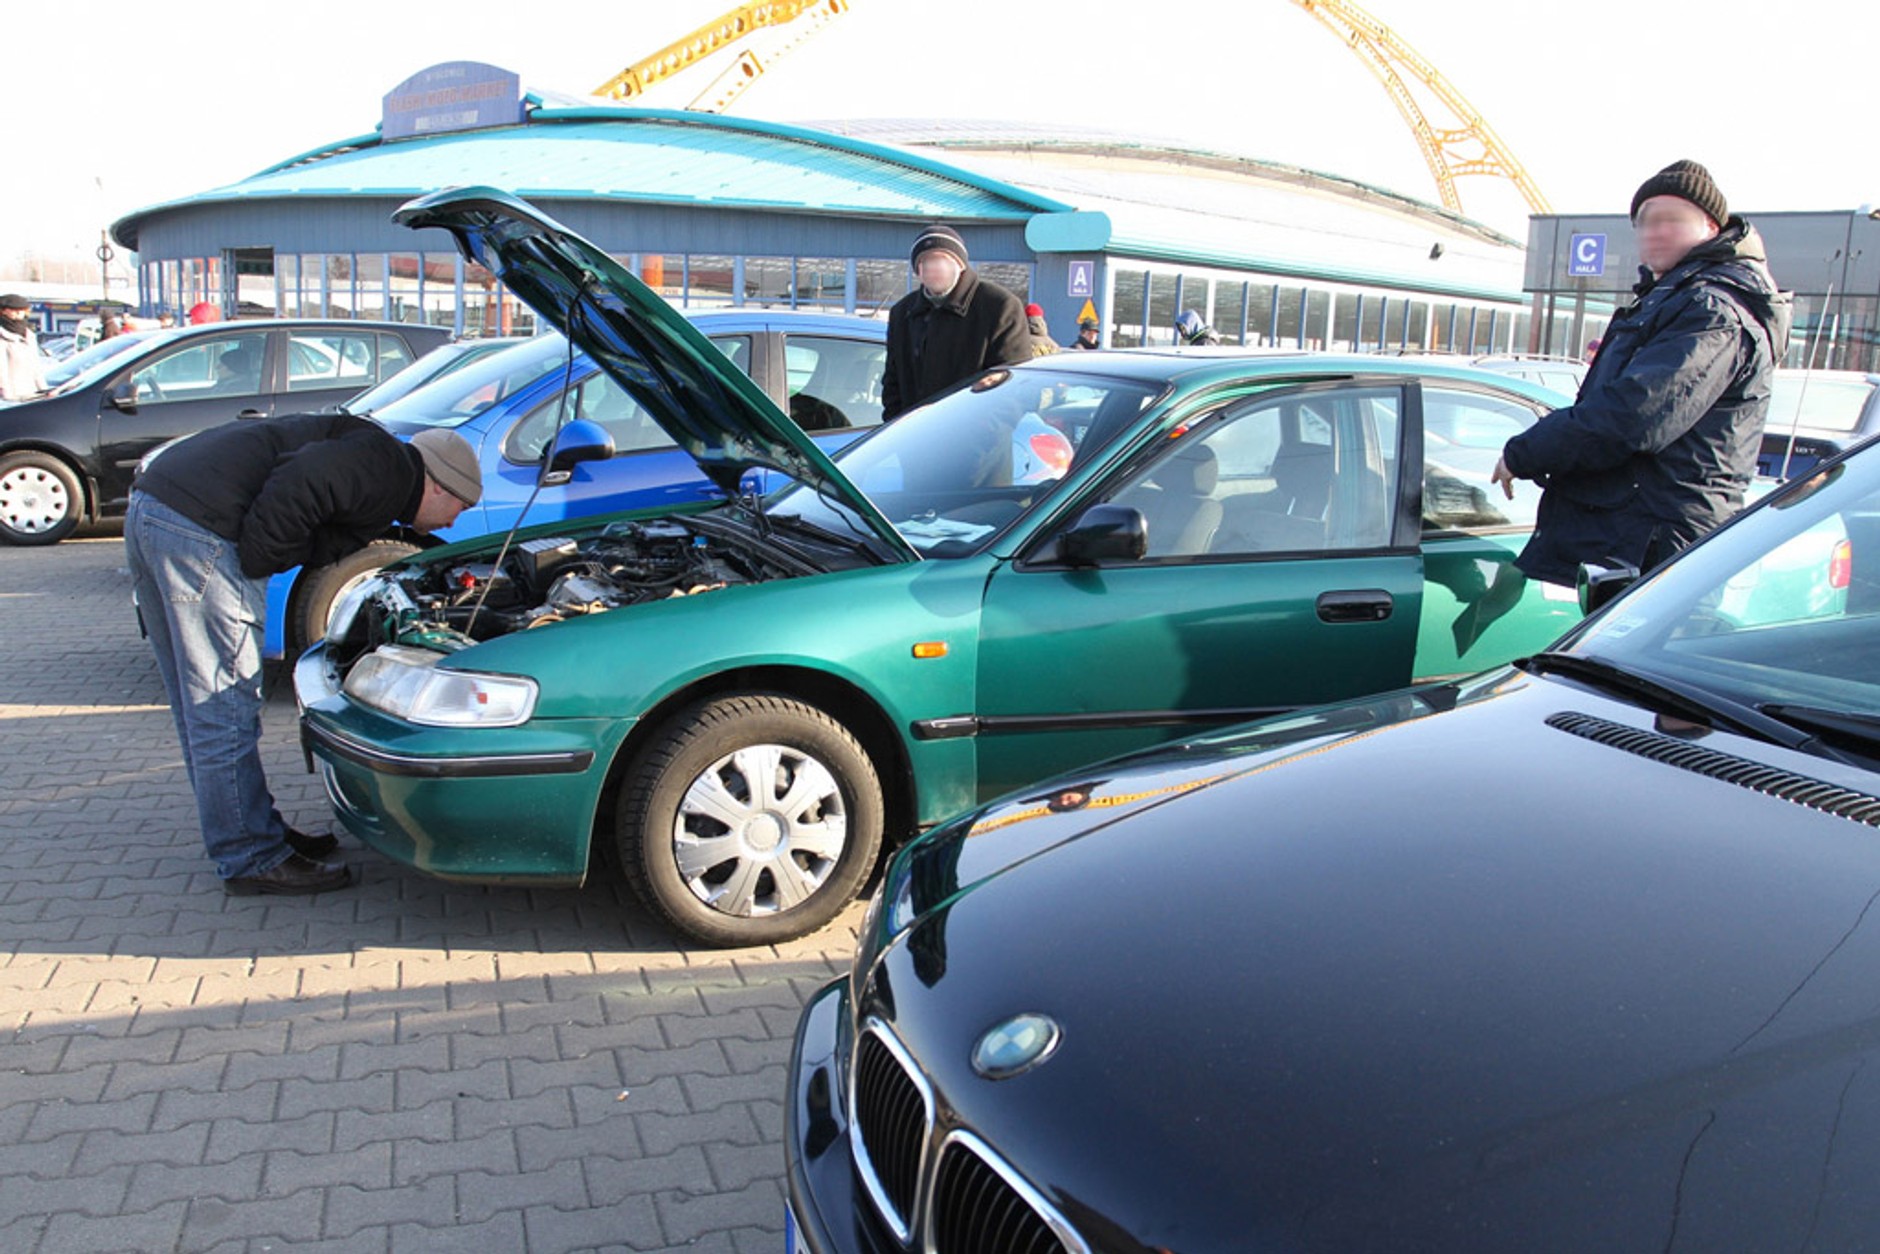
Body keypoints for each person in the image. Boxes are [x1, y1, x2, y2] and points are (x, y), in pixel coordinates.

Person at [125, 415, 482, 895]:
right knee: (223, 707)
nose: (454, 521)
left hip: (156, 507)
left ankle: (251, 830)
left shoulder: (378, 463)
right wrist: (261, 557)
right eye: (460, 506)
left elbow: (314, 499)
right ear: (437, 485)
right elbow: (303, 480)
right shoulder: (388, 470)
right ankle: (250, 856)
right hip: (200, 527)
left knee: (200, 708)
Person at [1490, 160, 1790, 585]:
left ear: (1710, 226)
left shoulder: (1712, 310)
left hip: (1660, 548)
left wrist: (1524, 452)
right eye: (1645, 221)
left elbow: (1631, 416)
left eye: (1672, 219)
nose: (1655, 231)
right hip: (1631, 538)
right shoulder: (1670, 298)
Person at [880, 224, 1030, 420]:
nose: (935, 268)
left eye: (943, 259)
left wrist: (988, 433)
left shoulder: (999, 306)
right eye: (926, 261)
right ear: (918, 270)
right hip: (915, 434)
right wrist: (896, 427)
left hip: (977, 435)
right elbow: (892, 383)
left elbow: (1015, 387)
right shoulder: (903, 313)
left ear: (960, 264)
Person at [0, 294, 47, 401]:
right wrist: (7, 397)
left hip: (32, 394)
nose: (18, 312)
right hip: (11, 397)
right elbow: (1, 371)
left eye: (21, 310)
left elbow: (36, 367)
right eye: (13, 309)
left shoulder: (29, 335)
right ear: (3, 311)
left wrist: (44, 390)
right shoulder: (2, 336)